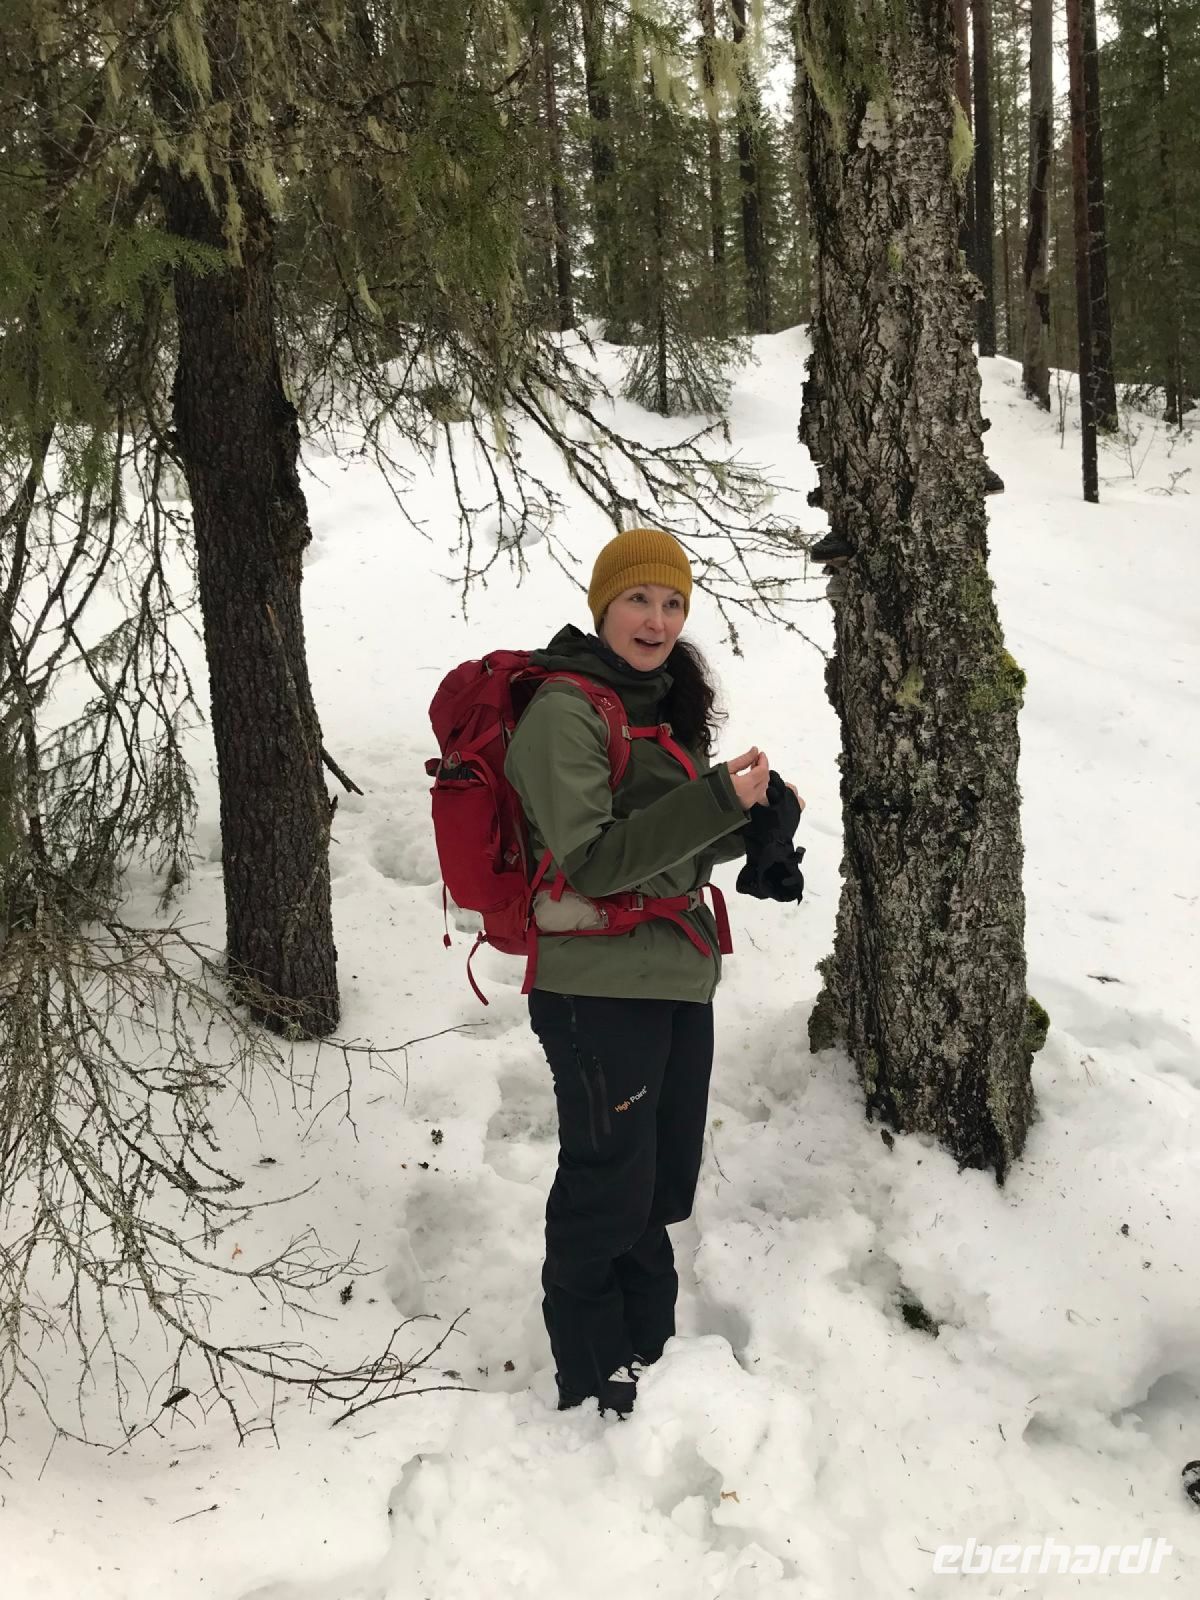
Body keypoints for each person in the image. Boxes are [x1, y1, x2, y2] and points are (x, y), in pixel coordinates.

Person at [504, 527, 801, 1417]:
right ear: (603, 606)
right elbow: (595, 863)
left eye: (674, 603)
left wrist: (750, 820)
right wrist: (714, 801)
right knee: (608, 1184)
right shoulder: (568, 708)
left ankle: (651, 1357)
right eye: (640, 599)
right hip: (595, 990)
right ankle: (595, 1381)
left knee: (656, 1184)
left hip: (672, 978)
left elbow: (663, 852)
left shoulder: (653, 709)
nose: (658, 618)